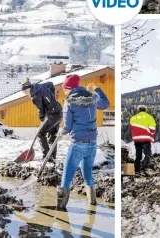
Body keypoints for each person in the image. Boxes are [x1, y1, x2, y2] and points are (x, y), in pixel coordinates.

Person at [56, 74, 110, 209]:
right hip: (92, 144)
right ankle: (92, 206)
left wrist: (60, 132)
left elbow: (67, 127)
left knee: (66, 179)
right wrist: (97, 89)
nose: (64, 92)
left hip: (77, 145)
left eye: (65, 89)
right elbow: (106, 103)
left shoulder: (69, 102)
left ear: (69, 88)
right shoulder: (93, 98)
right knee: (88, 177)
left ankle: (60, 211)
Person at [21, 77, 63, 161]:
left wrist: (42, 118)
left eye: (25, 91)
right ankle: (52, 157)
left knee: (40, 133)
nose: (26, 94)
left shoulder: (35, 96)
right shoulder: (41, 86)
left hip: (52, 115)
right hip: (59, 112)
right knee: (52, 135)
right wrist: (52, 96)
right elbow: (50, 84)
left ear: (28, 88)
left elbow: (41, 110)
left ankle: (46, 156)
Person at [129, 105, 156, 173]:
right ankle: (144, 168)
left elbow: (132, 128)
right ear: (145, 110)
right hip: (146, 139)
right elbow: (152, 129)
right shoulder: (149, 117)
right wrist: (152, 137)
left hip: (136, 139)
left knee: (138, 156)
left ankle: (136, 170)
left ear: (138, 110)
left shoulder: (133, 118)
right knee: (148, 155)